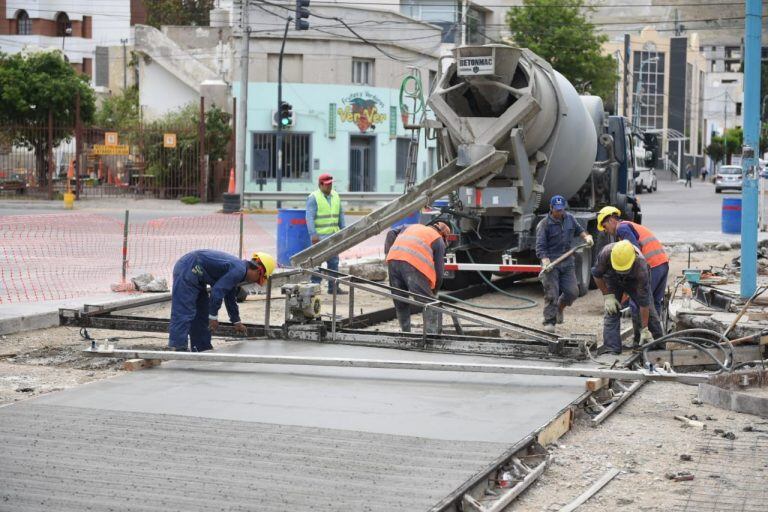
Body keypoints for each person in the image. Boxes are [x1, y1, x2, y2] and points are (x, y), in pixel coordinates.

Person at [168, 250, 275, 352]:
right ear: (258, 270)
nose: (255, 282)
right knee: (184, 312)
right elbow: (217, 291)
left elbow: (230, 297)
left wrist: (236, 321)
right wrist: (213, 317)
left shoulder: (240, 271)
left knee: (201, 314)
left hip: (196, 272)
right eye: (258, 279)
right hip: (188, 267)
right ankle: (178, 349)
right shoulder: (239, 270)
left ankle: (202, 349)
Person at [592, 240, 663, 355]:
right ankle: (611, 349)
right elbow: (596, 275)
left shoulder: (641, 267)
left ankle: (657, 347)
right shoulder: (605, 254)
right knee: (611, 311)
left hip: (634, 281)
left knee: (650, 312)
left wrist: (645, 328)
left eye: (624, 270)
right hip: (612, 279)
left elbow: (643, 303)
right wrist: (607, 296)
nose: (622, 273)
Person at [535, 195, 594, 332]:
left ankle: (560, 308)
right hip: (552, 263)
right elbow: (540, 247)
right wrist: (545, 261)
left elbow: (580, 231)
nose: (560, 213)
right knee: (552, 293)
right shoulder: (544, 225)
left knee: (572, 292)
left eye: (561, 210)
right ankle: (549, 321)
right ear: (551, 208)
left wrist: (587, 237)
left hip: (567, 261)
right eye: (557, 210)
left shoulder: (570, 219)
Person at [384, 221, 451, 334]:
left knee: (400, 300)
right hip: (412, 265)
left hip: (393, 260)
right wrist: (433, 292)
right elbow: (439, 273)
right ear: (443, 235)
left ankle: (406, 333)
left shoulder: (410, 226)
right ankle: (431, 336)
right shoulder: (438, 240)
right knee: (429, 303)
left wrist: (388, 253)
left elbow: (391, 233)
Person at [306, 173, 347, 294]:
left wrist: (343, 229)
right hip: (320, 237)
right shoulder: (314, 197)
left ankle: (333, 288)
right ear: (320, 185)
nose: (330, 187)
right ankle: (314, 287)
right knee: (317, 263)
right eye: (327, 185)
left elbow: (340, 214)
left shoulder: (335, 196)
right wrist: (313, 235)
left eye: (331, 184)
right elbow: (309, 218)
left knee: (334, 262)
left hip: (333, 235)